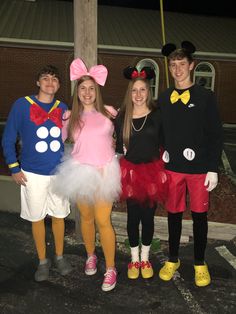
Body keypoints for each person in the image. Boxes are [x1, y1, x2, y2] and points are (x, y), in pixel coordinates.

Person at [157, 41, 223, 287]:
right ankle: (173, 258)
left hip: (198, 171)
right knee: (173, 215)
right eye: (173, 65)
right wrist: (161, 152)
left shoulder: (205, 97)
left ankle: (199, 262)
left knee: (199, 217)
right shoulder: (164, 97)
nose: (177, 69)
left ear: (191, 65)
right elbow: (158, 129)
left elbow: (216, 134)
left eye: (181, 64)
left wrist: (212, 168)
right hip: (173, 169)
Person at [53, 58, 121, 292]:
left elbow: (127, 136)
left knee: (104, 220)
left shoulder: (110, 112)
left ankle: (111, 268)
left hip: (104, 171)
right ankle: (91, 255)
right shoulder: (69, 116)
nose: (87, 92)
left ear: (97, 90)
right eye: (83, 88)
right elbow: (55, 141)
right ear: (77, 91)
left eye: (92, 88)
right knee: (86, 218)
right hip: (79, 171)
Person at [1, 65, 72, 282]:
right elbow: (8, 137)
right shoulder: (22, 105)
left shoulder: (63, 108)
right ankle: (43, 260)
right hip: (32, 173)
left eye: (54, 79)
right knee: (37, 218)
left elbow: (72, 137)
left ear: (59, 85)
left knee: (60, 216)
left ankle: (59, 256)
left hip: (59, 172)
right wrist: (13, 167)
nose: (50, 82)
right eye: (45, 78)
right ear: (38, 82)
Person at [115, 66, 168, 280]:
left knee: (148, 217)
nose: (138, 95)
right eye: (134, 91)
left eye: (142, 90)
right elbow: (119, 147)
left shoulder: (157, 115)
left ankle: (145, 258)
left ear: (149, 91)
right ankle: (134, 258)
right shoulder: (122, 116)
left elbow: (165, 143)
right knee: (132, 217)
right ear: (130, 93)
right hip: (131, 173)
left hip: (152, 172)